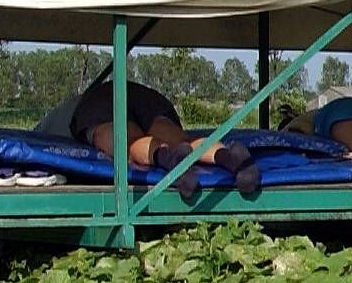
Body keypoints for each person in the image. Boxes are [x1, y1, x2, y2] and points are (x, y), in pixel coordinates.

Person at [69, 77, 260, 203]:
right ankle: (229, 157)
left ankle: (168, 158)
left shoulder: (77, 110)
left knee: (126, 143)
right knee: (182, 139)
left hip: (101, 100)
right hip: (148, 97)